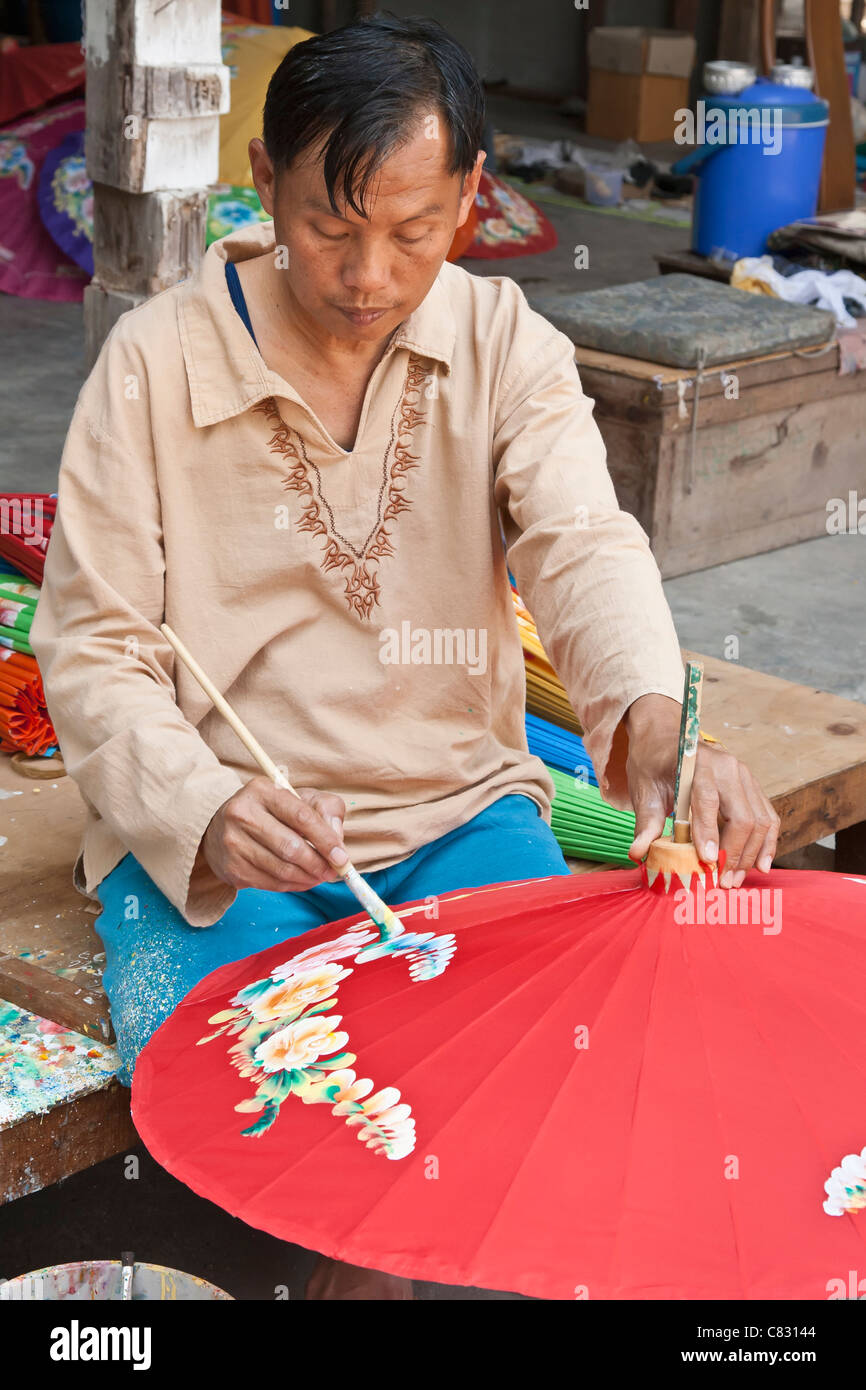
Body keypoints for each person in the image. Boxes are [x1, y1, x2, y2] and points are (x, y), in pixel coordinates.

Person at [32, 14, 780, 1300]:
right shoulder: (154, 364)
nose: (369, 274)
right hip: (233, 849)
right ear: (261, 182)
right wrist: (205, 810)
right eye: (330, 225)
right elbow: (95, 651)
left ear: (473, 200)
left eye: (414, 229)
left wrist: (654, 719)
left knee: (575, 1092)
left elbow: (581, 542)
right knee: (272, 1122)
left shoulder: (503, 346)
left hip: (456, 815)